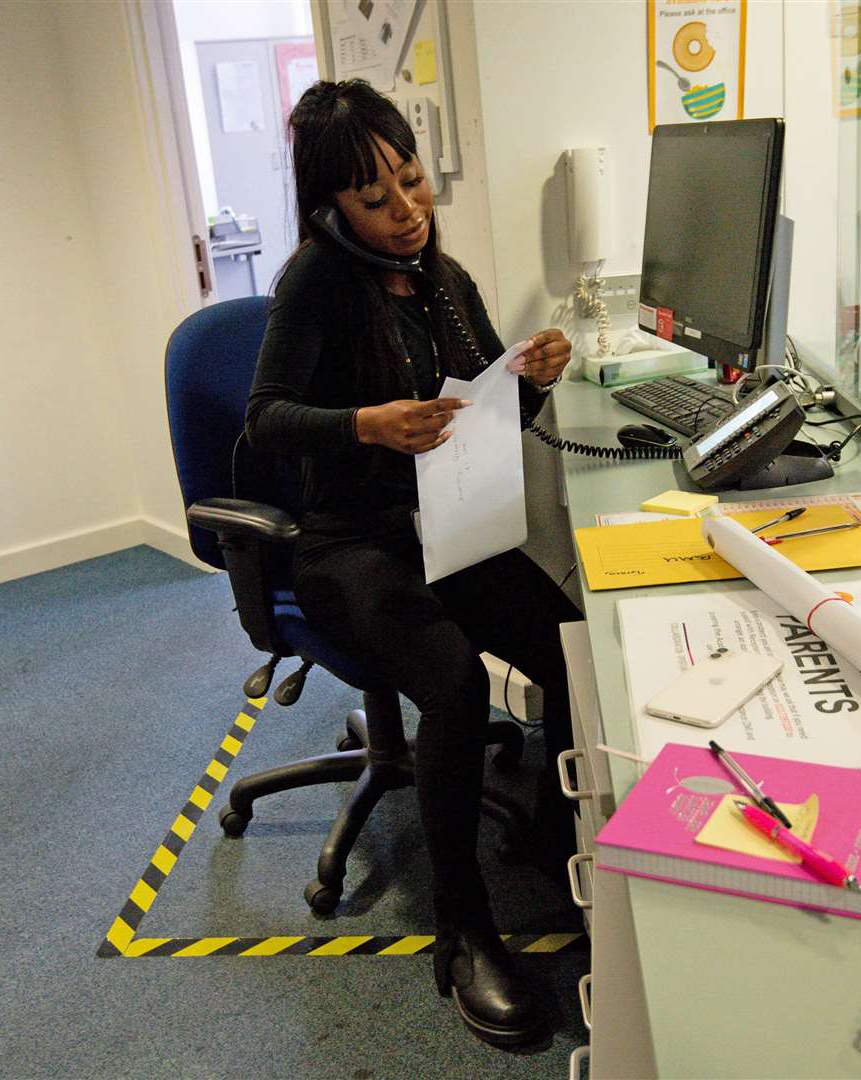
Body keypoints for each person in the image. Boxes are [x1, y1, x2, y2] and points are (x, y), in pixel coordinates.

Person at [244, 79, 581, 1048]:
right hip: (348, 545)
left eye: (413, 181)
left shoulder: (442, 275)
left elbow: (488, 413)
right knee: (456, 682)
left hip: (446, 527)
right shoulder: (314, 283)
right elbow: (267, 419)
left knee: (568, 645)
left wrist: (534, 383)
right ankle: (464, 932)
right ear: (328, 207)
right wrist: (367, 425)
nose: (407, 213)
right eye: (376, 199)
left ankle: (572, 852)